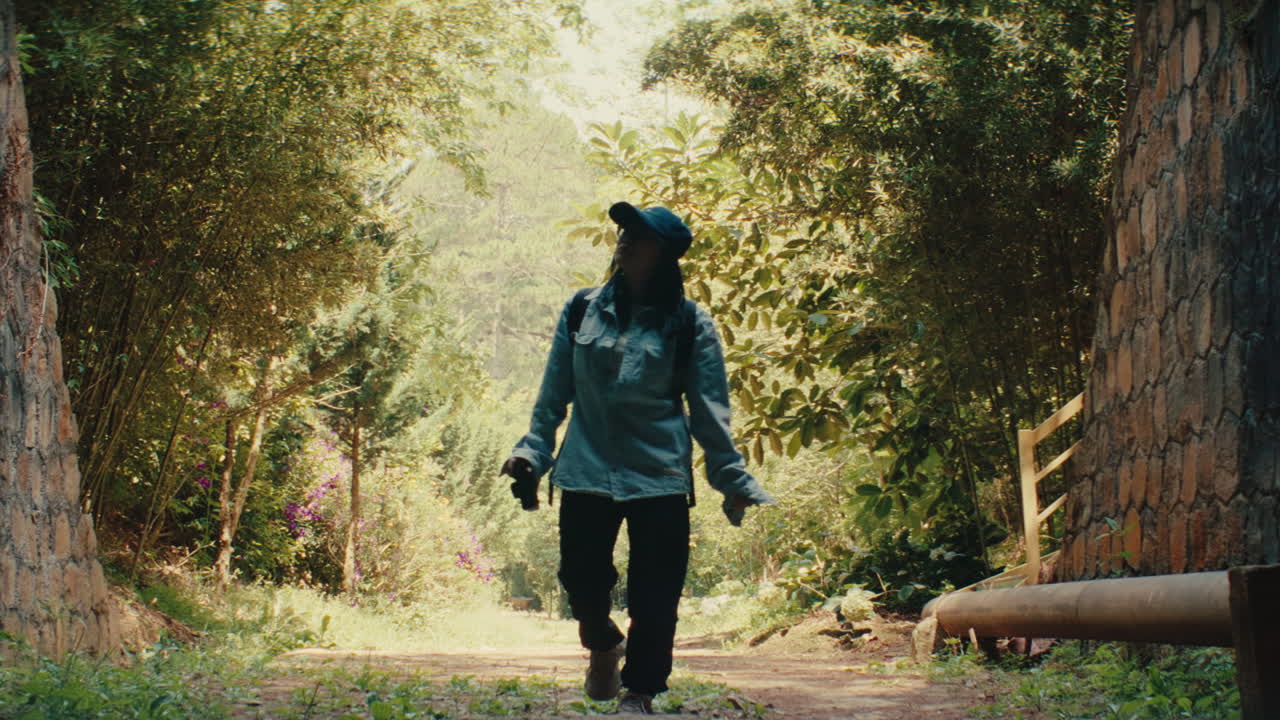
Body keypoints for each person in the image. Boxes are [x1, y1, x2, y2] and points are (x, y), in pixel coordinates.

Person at [501, 201, 774, 714]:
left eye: (639, 233)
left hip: (660, 473)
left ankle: (640, 691)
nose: (624, 237)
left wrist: (730, 476)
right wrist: (531, 453)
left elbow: (710, 409)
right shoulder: (582, 308)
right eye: (623, 229)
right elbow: (552, 394)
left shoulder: (690, 323)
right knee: (580, 579)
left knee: (656, 593)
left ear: (665, 253)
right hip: (586, 466)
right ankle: (602, 642)